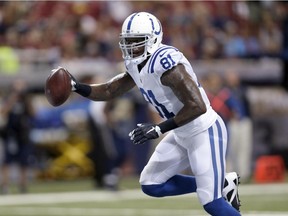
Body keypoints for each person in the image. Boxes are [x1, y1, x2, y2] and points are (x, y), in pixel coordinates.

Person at [54, 12, 241, 215]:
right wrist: (76, 87)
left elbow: (197, 106)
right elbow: (110, 90)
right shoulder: (137, 63)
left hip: (203, 130)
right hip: (181, 133)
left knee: (212, 203)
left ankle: (213, 187)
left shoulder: (167, 63)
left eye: (136, 42)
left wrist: (158, 128)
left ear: (152, 40)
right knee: (151, 184)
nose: (130, 47)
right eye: (127, 41)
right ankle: (220, 183)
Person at [0, 80, 34, 194]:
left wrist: (26, 99)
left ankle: (23, 186)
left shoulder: (26, 101)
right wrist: (12, 99)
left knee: (24, 161)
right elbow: (3, 112)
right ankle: (5, 186)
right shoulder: (8, 100)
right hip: (10, 134)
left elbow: (33, 113)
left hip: (23, 134)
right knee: (7, 162)